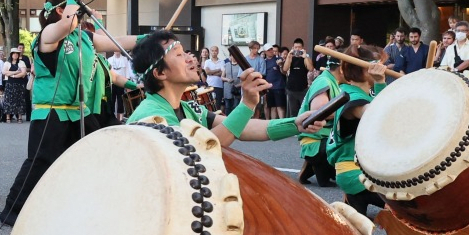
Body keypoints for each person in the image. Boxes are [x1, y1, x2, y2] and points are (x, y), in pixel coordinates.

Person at [0, 0, 140, 226]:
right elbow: (64, 25)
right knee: (41, 161)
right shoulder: (47, 35)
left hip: (79, 112)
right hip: (51, 112)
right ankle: (13, 209)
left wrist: (153, 38)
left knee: (93, 156)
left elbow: (117, 41)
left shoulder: (84, 38)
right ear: (60, 10)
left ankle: (82, 206)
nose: (81, 12)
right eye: (76, 8)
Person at [125, 31, 325, 146]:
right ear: (160, 73)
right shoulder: (152, 116)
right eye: (178, 55)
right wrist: (247, 104)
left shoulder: (188, 109)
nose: (189, 57)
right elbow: (202, 148)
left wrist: (297, 124)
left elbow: (241, 126)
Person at [325, 46, 389, 217]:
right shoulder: (353, 97)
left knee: (355, 229)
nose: (382, 67)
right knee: (409, 206)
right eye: (377, 64)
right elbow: (379, 117)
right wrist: (380, 82)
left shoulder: (363, 93)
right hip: (355, 173)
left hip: (362, 170)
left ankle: (351, 207)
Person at [296, 59, 341, 188]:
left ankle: (312, 167)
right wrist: (346, 112)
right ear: (342, 69)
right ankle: (320, 171)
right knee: (343, 145)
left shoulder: (331, 81)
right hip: (315, 137)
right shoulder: (324, 82)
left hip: (322, 136)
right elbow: (319, 112)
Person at [282, 39, 313, 117]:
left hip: (302, 88)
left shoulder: (305, 58)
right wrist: (289, 56)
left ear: (303, 48)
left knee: (303, 111)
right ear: (293, 47)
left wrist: (305, 57)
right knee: (293, 112)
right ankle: (293, 128)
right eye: (296, 47)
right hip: (291, 89)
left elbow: (311, 68)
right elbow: (285, 69)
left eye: (299, 47)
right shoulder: (290, 57)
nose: (297, 49)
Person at [1, 48, 28, 123]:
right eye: (14, 53)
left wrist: (12, 75)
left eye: (17, 53)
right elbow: (4, 72)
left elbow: (23, 73)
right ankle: (8, 117)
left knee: (20, 100)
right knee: (9, 100)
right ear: (11, 54)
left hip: (19, 83)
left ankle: (19, 117)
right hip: (10, 83)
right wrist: (15, 72)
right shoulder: (7, 63)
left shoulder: (21, 62)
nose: (15, 55)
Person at [263, 44, 287, 120]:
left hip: (279, 86)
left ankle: (281, 122)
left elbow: (284, 72)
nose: (270, 51)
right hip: (268, 87)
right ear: (265, 52)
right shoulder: (264, 61)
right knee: (271, 106)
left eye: (271, 49)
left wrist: (280, 65)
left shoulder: (279, 59)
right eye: (268, 50)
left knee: (280, 106)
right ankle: (272, 123)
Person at [108, 49, 133, 117]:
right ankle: (111, 116)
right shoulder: (109, 59)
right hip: (112, 83)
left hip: (122, 82)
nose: (117, 51)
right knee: (112, 99)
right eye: (115, 50)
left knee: (120, 100)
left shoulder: (125, 59)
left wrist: (128, 83)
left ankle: (120, 118)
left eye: (118, 50)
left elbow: (127, 71)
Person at [204, 45, 224, 110]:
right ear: (210, 52)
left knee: (217, 104)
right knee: (209, 103)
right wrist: (218, 70)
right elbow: (207, 72)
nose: (214, 52)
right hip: (210, 85)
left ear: (218, 52)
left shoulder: (222, 62)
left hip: (219, 85)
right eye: (212, 51)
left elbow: (222, 73)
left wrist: (211, 73)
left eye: (215, 51)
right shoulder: (207, 61)